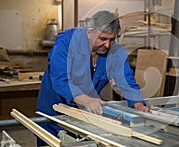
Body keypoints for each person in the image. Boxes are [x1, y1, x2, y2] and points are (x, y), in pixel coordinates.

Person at [36, 10, 149, 146]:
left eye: (112, 39)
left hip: (83, 114)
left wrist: (138, 104)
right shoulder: (66, 42)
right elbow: (60, 79)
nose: (107, 45)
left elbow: (127, 81)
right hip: (53, 111)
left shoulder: (116, 53)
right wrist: (86, 100)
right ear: (89, 33)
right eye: (102, 39)